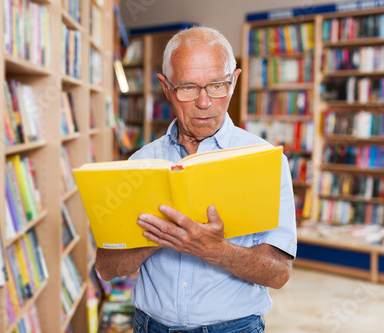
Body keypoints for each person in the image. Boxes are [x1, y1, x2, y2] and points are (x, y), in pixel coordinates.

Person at [96, 26, 297, 333]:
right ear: (165, 87)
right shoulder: (140, 163)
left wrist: (216, 250)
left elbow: (279, 274)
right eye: (188, 88)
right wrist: (158, 237)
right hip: (150, 326)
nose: (204, 103)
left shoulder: (266, 160)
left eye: (217, 86)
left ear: (234, 81)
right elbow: (107, 268)